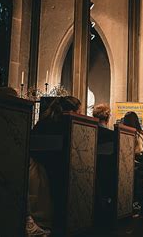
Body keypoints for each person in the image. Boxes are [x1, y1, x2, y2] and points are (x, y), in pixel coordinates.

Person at [28, 96, 82, 236]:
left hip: (42, 164)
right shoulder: (67, 124)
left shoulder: (44, 122)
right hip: (56, 169)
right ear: (73, 111)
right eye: (79, 112)